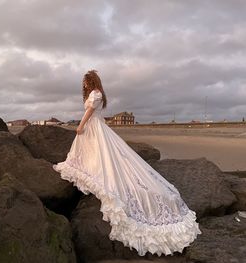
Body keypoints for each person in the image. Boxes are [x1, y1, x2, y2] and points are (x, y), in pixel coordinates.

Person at [52, 69, 202, 257]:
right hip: (95, 128)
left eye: (85, 81)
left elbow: (90, 111)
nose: (83, 84)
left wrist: (80, 126)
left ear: (91, 81)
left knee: (105, 156)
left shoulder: (95, 93)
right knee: (95, 154)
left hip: (94, 127)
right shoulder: (95, 93)